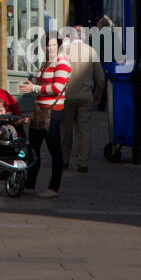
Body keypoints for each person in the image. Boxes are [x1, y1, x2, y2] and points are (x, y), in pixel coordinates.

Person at [23, 33, 71, 197]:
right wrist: (33, 86)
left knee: (54, 149)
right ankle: (29, 185)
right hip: (40, 111)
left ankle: (53, 188)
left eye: (52, 45)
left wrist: (34, 89)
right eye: (46, 45)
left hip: (53, 112)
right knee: (33, 148)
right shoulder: (45, 63)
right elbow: (43, 85)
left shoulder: (62, 63)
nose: (49, 48)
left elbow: (57, 88)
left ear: (58, 46)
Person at [61, 28, 103, 172]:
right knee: (83, 131)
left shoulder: (64, 51)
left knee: (65, 130)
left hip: (66, 96)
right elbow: (100, 78)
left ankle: (64, 160)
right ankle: (82, 163)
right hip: (85, 96)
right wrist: (98, 93)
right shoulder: (91, 51)